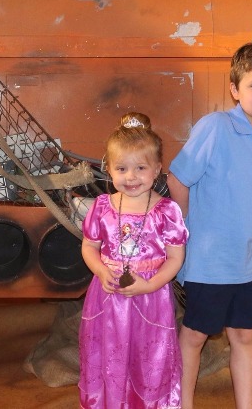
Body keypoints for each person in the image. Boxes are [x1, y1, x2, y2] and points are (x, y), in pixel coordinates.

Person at [167, 42, 252, 409]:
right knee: (194, 337)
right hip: (210, 261)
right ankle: (182, 404)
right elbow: (178, 179)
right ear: (235, 89)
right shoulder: (215, 127)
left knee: (245, 336)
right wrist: (186, 232)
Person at [78, 112, 188, 409]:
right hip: (107, 298)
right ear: (109, 169)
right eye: (122, 168)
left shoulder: (167, 211)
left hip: (151, 299)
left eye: (141, 167)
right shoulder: (101, 207)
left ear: (157, 169)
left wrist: (149, 284)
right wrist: (101, 271)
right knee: (109, 354)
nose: (131, 176)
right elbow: (89, 247)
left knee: (147, 358)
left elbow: (176, 258)